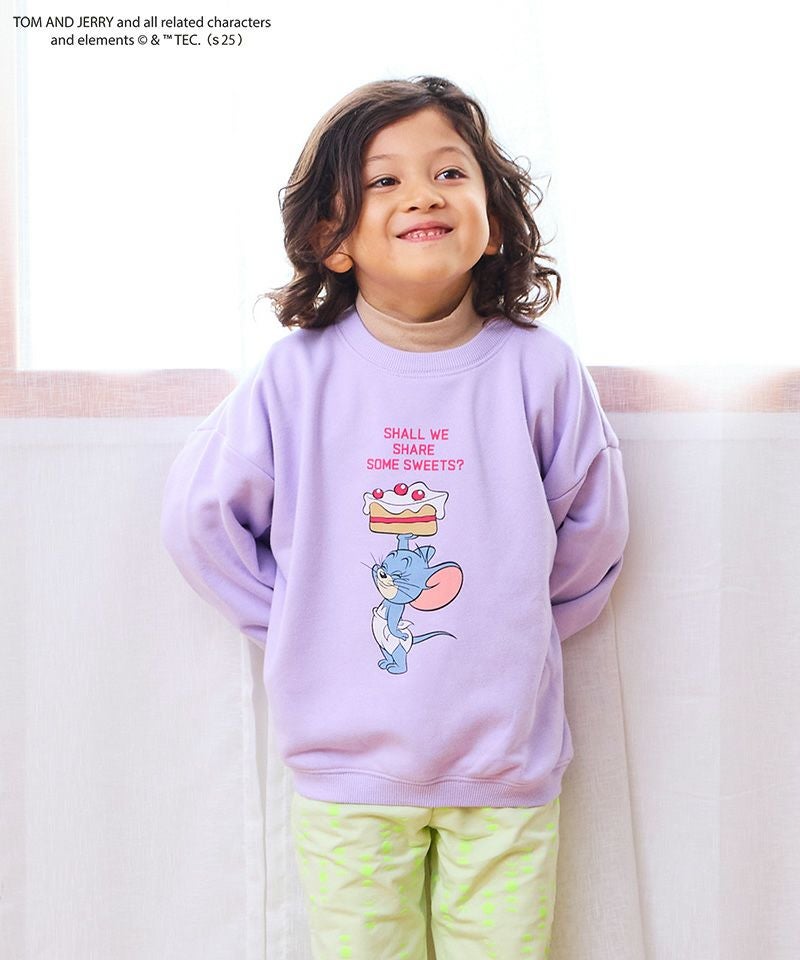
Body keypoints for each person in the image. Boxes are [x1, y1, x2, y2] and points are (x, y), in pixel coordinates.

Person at [161, 75, 630, 960]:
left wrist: (516, 622)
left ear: (495, 218)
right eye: (385, 180)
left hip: (505, 765)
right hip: (347, 775)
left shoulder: (541, 371)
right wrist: (297, 621)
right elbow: (201, 522)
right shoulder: (296, 376)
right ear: (330, 237)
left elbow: (592, 535)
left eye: (451, 172)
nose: (424, 194)